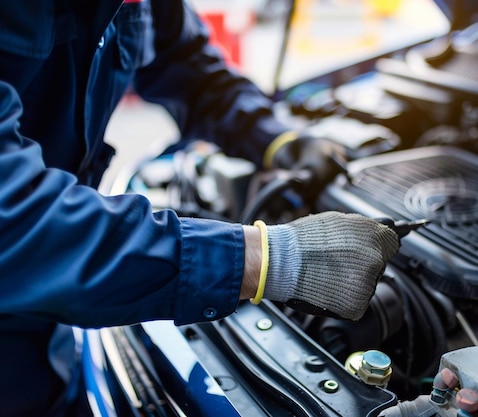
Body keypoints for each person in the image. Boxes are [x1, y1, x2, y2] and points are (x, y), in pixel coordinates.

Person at [0, 1, 400, 416]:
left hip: (57, 320)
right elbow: (11, 216)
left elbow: (188, 66)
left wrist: (275, 139)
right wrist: (263, 259)